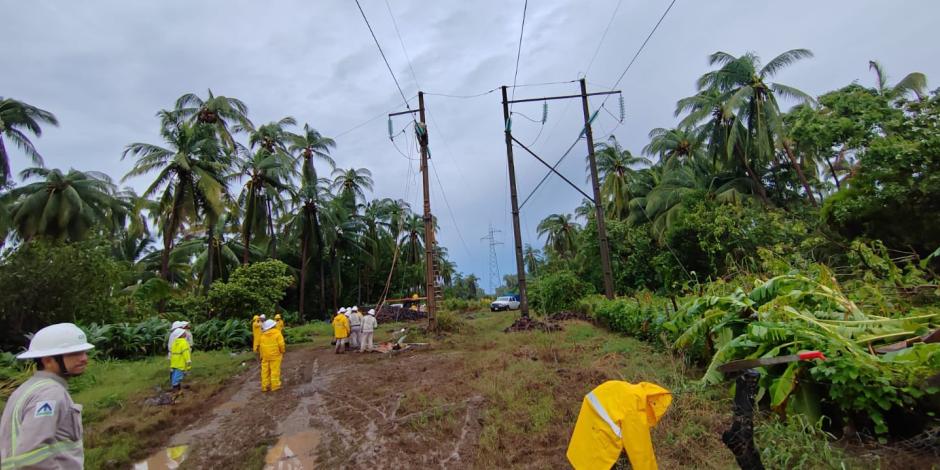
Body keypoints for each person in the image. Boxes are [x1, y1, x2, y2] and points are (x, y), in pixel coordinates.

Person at [0, 323, 95, 469]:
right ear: (48, 360)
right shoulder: (50, 394)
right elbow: (31, 456)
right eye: (74, 354)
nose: (84, 359)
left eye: (83, 352)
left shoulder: (26, 389)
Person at [258, 319, 286, 392]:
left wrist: (261, 356)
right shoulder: (277, 334)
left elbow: (261, 347)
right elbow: (281, 344)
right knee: (275, 371)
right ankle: (275, 386)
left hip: (265, 356)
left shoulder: (262, 335)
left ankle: (265, 386)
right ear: (274, 326)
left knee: (265, 371)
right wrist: (282, 351)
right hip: (275, 356)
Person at [168, 322, 192, 392]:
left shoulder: (174, 342)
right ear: (181, 334)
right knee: (177, 378)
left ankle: (176, 388)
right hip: (180, 364)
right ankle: (176, 392)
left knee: (174, 377)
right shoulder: (184, 343)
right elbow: (186, 353)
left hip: (174, 363)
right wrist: (188, 362)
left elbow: (172, 353)